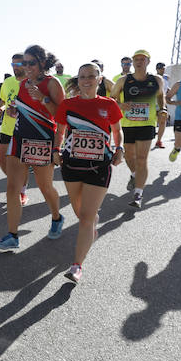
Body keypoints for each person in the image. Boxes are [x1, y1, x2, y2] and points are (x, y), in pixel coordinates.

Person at [52, 62, 124, 283]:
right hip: (72, 165)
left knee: (85, 218)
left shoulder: (109, 104)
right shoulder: (68, 104)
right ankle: (93, 222)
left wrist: (119, 148)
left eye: (91, 76)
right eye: (82, 76)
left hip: (99, 166)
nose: (86, 80)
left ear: (99, 79)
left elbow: (117, 130)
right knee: (80, 213)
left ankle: (76, 266)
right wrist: (55, 150)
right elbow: (60, 131)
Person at [0, 45, 65, 249]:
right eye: (23, 63)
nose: (26, 67)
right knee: (12, 187)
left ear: (42, 63)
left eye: (31, 63)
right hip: (19, 138)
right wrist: (13, 110)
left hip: (42, 140)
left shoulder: (52, 83)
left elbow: (61, 116)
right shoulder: (22, 84)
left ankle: (57, 217)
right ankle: (12, 235)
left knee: (45, 187)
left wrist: (43, 99)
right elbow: (21, 108)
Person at [110, 49, 166, 209]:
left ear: (148, 62)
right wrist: (121, 105)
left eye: (142, 59)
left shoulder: (157, 79)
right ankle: (135, 175)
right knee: (129, 157)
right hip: (127, 125)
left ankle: (138, 194)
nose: (139, 62)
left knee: (142, 158)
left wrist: (163, 109)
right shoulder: (123, 80)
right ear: (133, 62)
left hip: (147, 124)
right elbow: (111, 99)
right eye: (136, 59)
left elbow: (160, 96)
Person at [0, 56, 29, 206]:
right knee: (2, 160)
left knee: (22, 163)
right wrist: (0, 109)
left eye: (18, 64)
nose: (15, 67)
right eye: (13, 64)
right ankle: (16, 181)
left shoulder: (30, 82)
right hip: (7, 127)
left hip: (24, 128)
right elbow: (4, 100)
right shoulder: (8, 82)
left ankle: (22, 190)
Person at [154, 61, 171, 148]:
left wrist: (170, 92)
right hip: (153, 102)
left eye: (163, 68)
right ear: (157, 69)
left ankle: (159, 141)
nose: (162, 70)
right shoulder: (153, 78)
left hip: (162, 102)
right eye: (160, 68)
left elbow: (165, 88)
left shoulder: (166, 78)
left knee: (163, 120)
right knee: (151, 121)